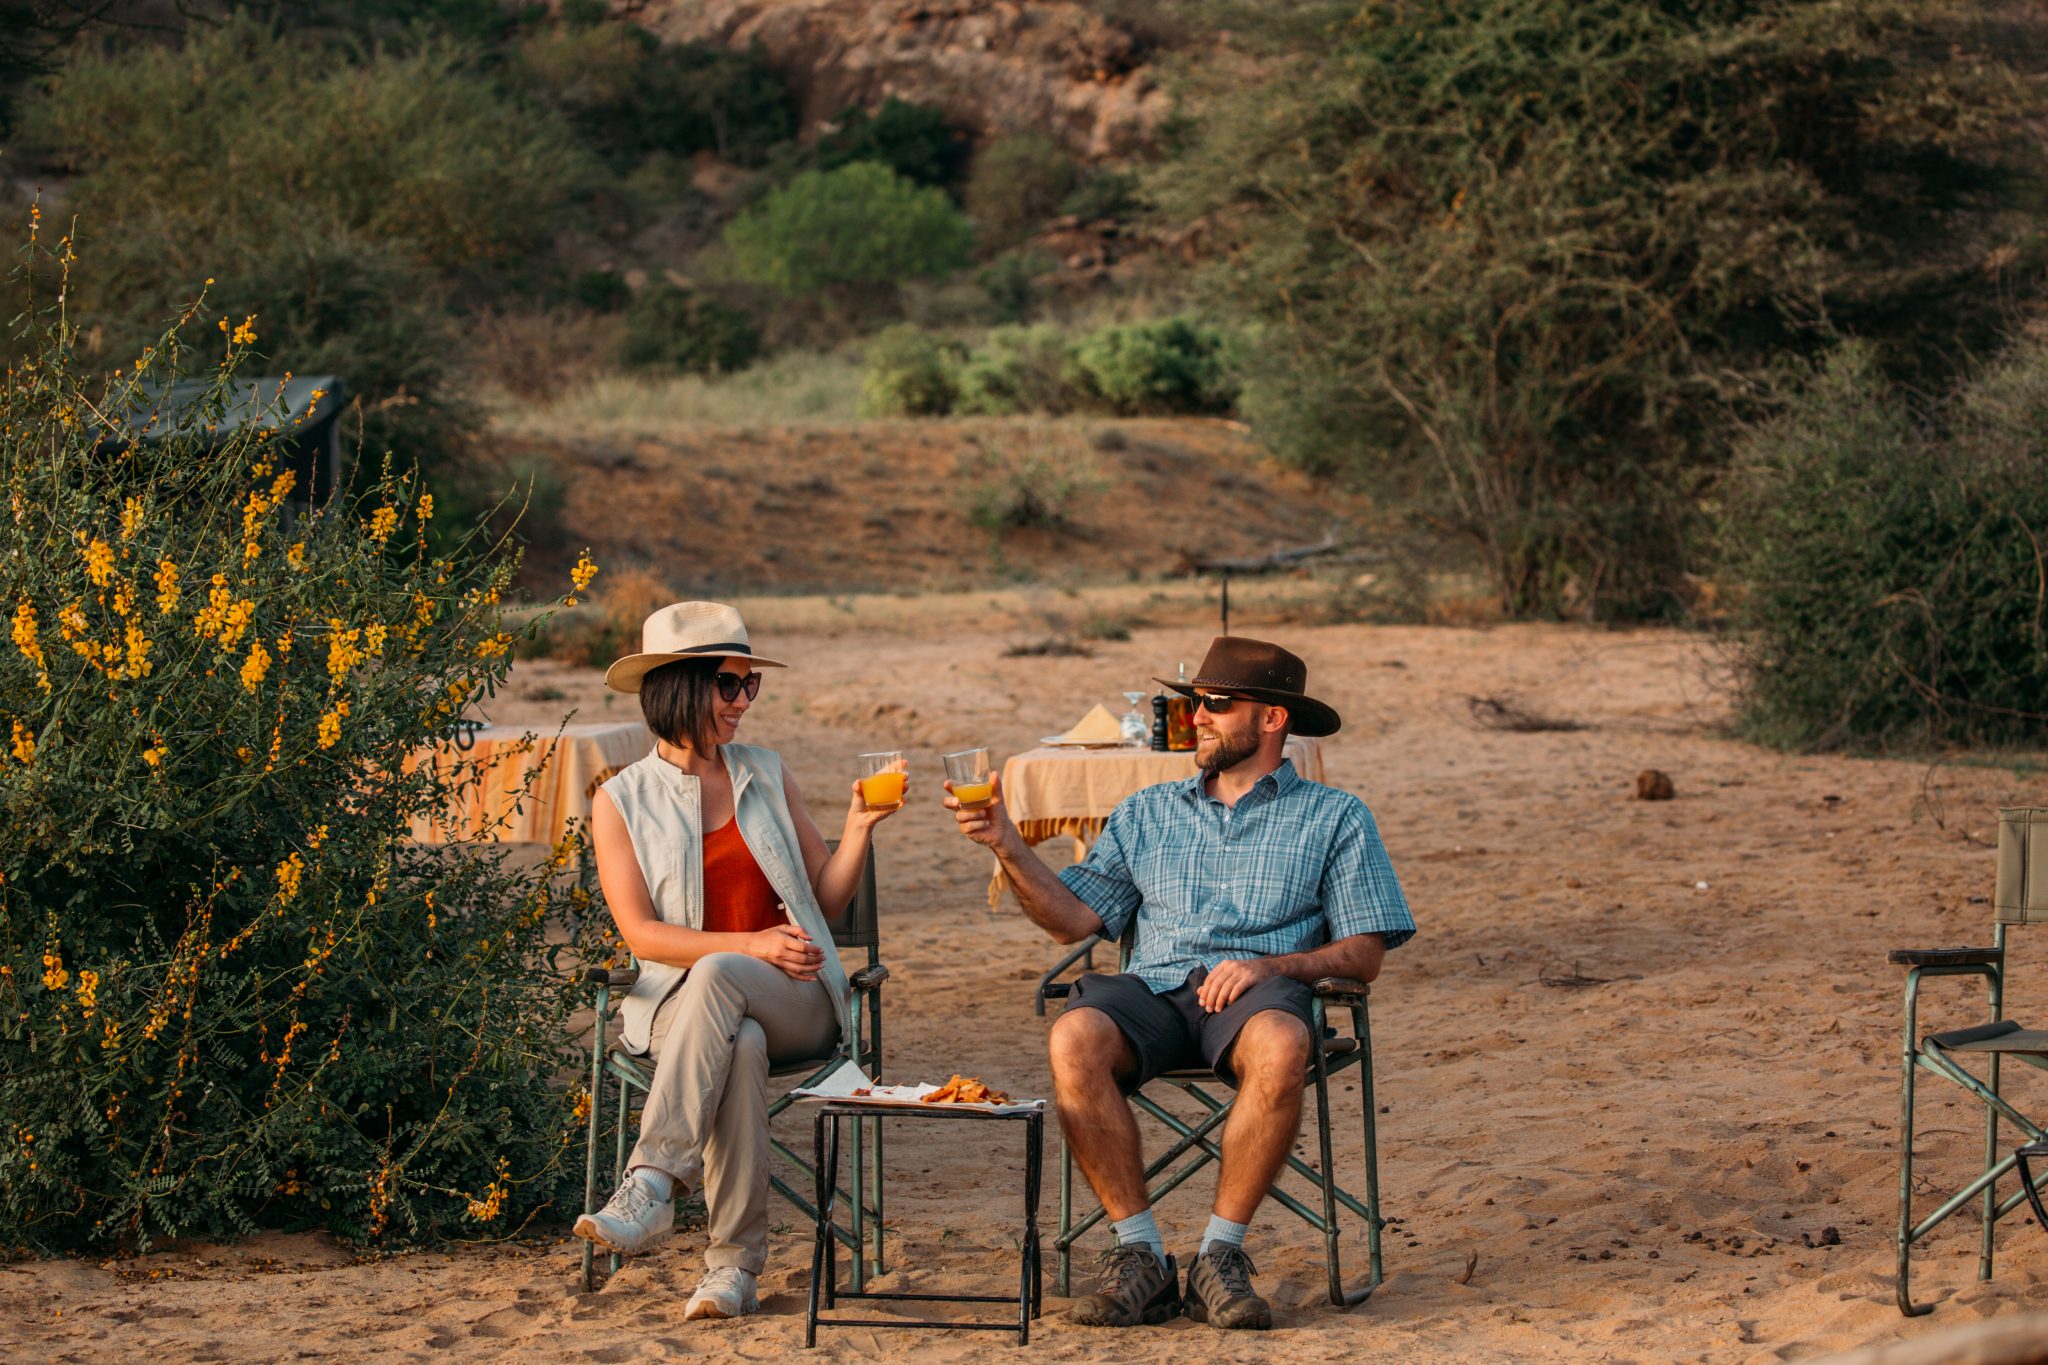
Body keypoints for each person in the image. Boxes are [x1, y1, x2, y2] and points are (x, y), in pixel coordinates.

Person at [948, 635, 1414, 1331]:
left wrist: (1273, 965)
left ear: (1271, 719)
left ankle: (1218, 1258)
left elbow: (1366, 952)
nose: (1195, 716)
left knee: (1286, 1042)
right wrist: (1007, 845)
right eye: (1195, 701)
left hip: (1257, 996)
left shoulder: (1336, 816)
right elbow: (1072, 920)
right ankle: (1138, 1256)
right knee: (1074, 1034)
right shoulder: (1145, 811)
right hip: (1155, 989)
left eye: (1217, 704)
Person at [574, 601, 903, 1320]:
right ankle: (733, 1269)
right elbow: (643, 936)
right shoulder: (620, 801)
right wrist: (748, 942)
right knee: (737, 1035)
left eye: (750, 685)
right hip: (677, 1011)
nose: (743, 702)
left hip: (796, 997)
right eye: (730, 685)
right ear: (681, 686)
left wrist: (857, 828)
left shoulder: (766, 772)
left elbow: (828, 898)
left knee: (728, 986)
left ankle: (653, 1179)